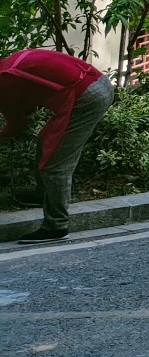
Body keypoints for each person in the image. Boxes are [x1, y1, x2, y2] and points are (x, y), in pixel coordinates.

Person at [0, 49, 115, 242]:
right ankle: (43, 194)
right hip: (95, 82)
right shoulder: (8, 66)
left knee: (55, 162)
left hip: (86, 97)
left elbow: (17, 125)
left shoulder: (4, 83)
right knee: (46, 139)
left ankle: (57, 225)